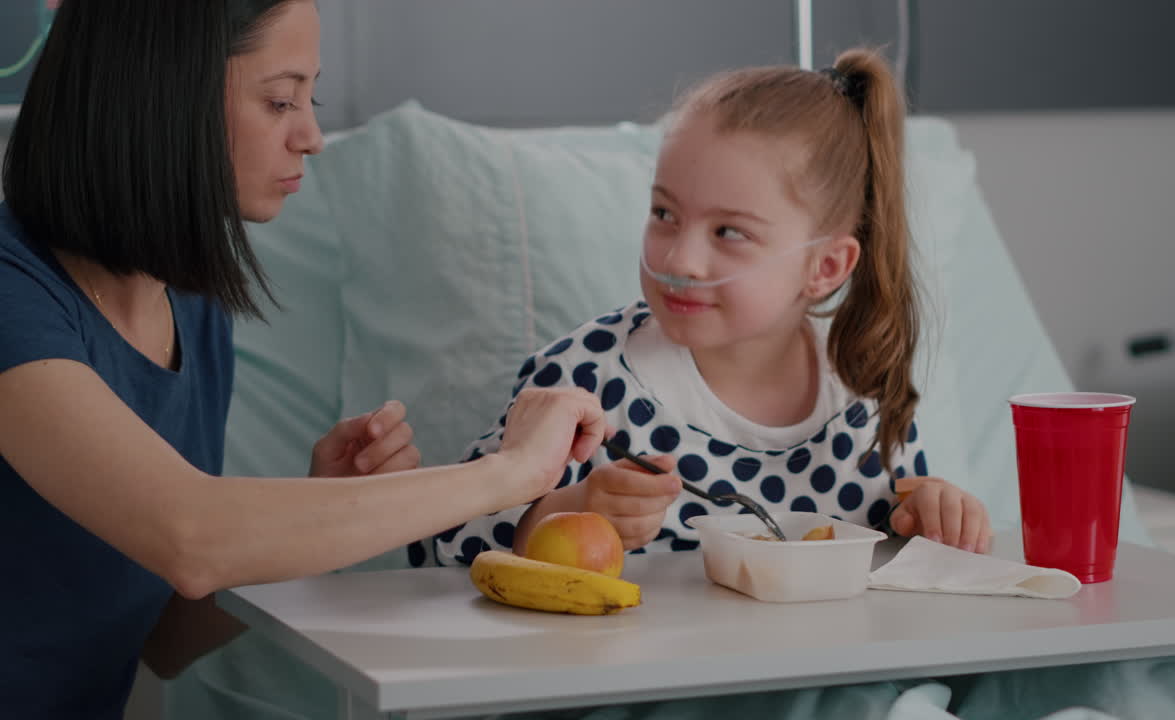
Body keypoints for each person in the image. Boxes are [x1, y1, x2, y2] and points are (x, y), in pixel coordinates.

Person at [0, 1, 606, 717]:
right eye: (280, 99)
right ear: (163, 97)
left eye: (309, 99)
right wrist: (510, 475)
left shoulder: (189, 307)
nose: (312, 136)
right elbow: (190, 535)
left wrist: (321, 508)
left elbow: (167, 633)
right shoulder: (13, 292)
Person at [427, 48, 992, 569]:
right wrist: (567, 511)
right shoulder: (581, 385)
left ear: (824, 268)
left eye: (728, 231)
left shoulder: (862, 389)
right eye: (664, 214)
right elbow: (445, 548)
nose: (681, 258)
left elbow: (897, 553)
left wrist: (935, 516)